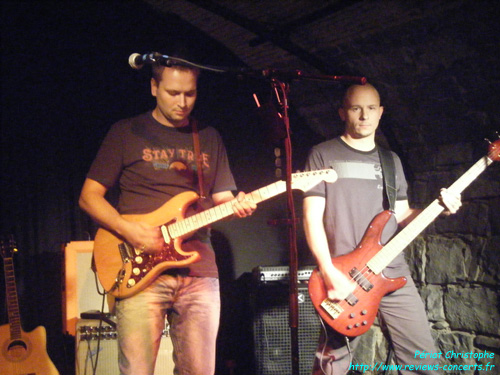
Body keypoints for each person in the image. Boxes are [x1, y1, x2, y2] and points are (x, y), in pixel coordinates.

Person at [79, 56, 256, 375]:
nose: (182, 102)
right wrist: (129, 231)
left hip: (199, 270)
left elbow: (222, 200)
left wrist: (238, 205)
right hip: (138, 268)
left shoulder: (209, 136)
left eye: (189, 93)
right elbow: (89, 197)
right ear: (153, 87)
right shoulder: (126, 132)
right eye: (173, 93)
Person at [302, 83, 461, 375]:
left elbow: (400, 213)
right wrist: (328, 273)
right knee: (331, 365)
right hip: (344, 277)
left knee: (424, 360)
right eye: (355, 108)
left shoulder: (391, 161)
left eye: (371, 108)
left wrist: (438, 209)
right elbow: (311, 219)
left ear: (381, 112)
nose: (364, 115)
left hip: (391, 270)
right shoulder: (322, 154)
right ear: (342, 112)